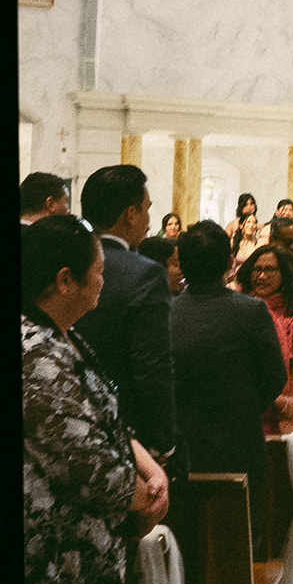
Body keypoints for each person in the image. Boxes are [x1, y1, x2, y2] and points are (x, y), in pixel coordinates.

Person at [23, 216, 169, 584]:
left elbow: (104, 419)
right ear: (65, 280)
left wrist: (149, 467)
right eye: (98, 271)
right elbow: (87, 467)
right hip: (61, 575)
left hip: (91, 562)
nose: (105, 281)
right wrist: (145, 496)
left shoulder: (65, 337)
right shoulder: (34, 354)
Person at [168, 221, 287, 558]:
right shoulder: (250, 311)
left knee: (189, 549)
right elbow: (275, 375)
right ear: (230, 262)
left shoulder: (169, 311)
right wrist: (245, 406)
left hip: (184, 444)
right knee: (239, 548)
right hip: (240, 440)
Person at [77, 164, 176, 464]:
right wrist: (163, 441)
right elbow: (151, 366)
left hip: (67, 415)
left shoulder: (63, 259)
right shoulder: (144, 274)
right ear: (130, 213)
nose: (148, 219)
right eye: (146, 208)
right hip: (125, 430)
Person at [236, 244, 293, 433]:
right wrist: (276, 401)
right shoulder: (241, 303)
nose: (261, 276)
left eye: (269, 270)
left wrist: (290, 405)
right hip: (252, 400)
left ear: (284, 273)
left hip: (284, 399)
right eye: (257, 269)